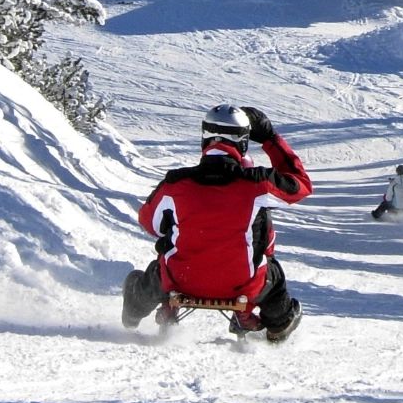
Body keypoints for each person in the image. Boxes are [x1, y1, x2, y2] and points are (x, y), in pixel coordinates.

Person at [122, 104, 312, 342]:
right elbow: (301, 185)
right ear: (243, 142)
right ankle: (278, 324)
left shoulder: (176, 184)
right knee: (271, 273)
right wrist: (270, 139)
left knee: (161, 266)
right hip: (242, 285)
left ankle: (135, 308)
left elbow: (149, 223)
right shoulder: (258, 184)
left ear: (205, 138)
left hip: (182, 279)